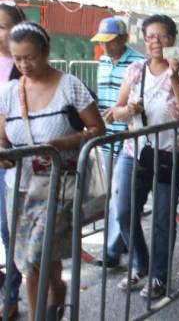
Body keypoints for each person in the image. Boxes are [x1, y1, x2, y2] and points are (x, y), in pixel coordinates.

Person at [0, 22, 105, 320]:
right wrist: (4, 155)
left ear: (46, 52)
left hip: (59, 187)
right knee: (36, 257)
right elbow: (2, 137)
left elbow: (98, 129)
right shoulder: (8, 92)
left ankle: (36, 315)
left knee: (33, 258)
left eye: (30, 57)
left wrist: (62, 143)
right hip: (18, 188)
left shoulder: (69, 85)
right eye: (18, 59)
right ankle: (56, 292)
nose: (24, 65)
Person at [110, 15, 179, 299]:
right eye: (150, 36)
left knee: (162, 219)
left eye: (162, 36)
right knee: (124, 213)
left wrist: (173, 78)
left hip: (169, 156)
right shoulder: (135, 70)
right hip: (133, 152)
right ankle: (141, 263)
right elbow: (117, 110)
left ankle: (159, 277)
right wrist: (129, 110)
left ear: (172, 39)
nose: (156, 42)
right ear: (144, 39)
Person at [91, 17, 146, 269]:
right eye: (102, 42)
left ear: (123, 39)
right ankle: (119, 242)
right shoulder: (102, 61)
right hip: (106, 137)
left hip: (127, 138)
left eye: (110, 42)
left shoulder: (136, 63)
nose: (105, 47)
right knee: (112, 195)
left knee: (118, 195)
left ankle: (113, 249)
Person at [0, 4, 25, 319]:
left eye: (3, 26)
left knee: (9, 231)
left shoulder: (25, 66)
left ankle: (12, 295)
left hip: (10, 162)